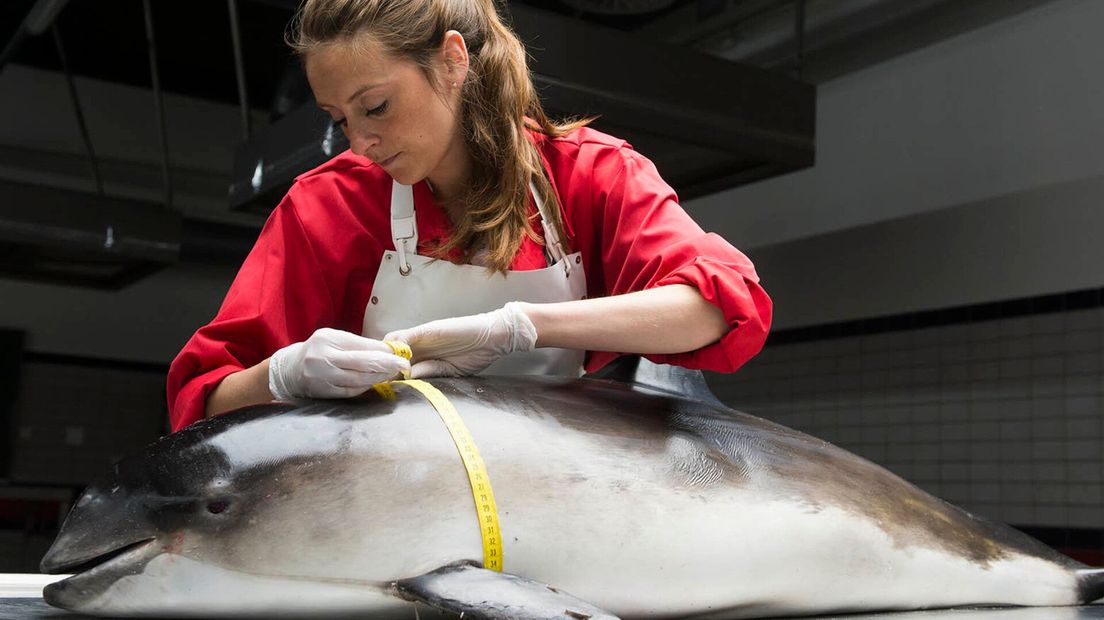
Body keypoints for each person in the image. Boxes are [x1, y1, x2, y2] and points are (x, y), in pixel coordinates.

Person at [165, 0, 771, 432]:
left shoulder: (589, 175)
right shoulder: (326, 205)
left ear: (452, 60)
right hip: (384, 507)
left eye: (376, 106)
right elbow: (203, 400)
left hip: (553, 490)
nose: (361, 143)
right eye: (340, 119)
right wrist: (282, 376)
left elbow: (718, 308)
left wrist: (520, 327)